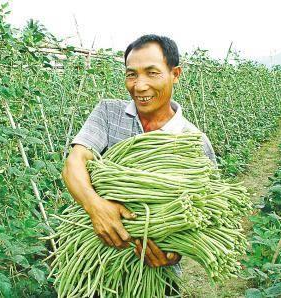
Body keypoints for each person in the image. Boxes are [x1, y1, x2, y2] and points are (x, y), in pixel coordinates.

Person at [61, 34, 217, 286]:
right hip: (95, 272)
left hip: (157, 279)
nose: (139, 85)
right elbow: (75, 163)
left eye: (152, 73)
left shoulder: (193, 142)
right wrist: (95, 207)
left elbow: (206, 215)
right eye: (131, 74)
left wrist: (173, 253)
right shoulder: (109, 113)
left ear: (175, 74)